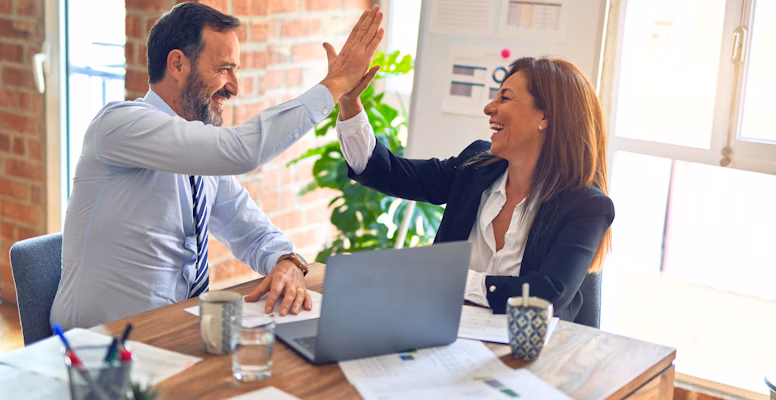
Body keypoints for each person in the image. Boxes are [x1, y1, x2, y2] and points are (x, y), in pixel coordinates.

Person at [50, 3, 384, 329]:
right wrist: (335, 84)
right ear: (178, 64)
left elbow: (250, 230)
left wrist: (287, 261)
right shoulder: (119, 125)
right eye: (224, 68)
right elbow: (243, 151)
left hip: (174, 334)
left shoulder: (200, 156)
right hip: (99, 348)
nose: (234, 87)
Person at [335, 57, 614, 322]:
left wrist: (451, 279)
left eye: (505, 98)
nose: (489, 108)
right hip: (443, 335)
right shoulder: (476, 167)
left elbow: (545, 295)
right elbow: (390, 173)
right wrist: (349, 104)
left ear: (545, 117)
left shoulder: (586, 206)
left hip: (531, 357)